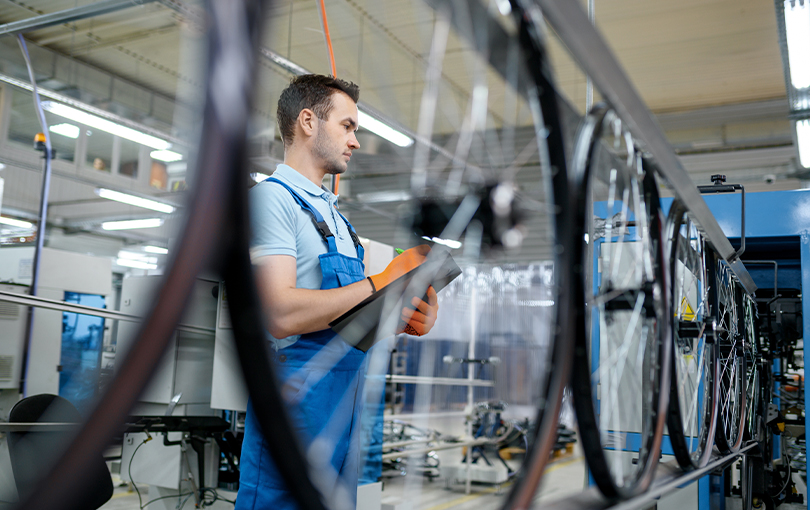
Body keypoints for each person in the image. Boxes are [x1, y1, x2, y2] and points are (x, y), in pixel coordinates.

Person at [236, 74, 440, 510]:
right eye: (347, 126)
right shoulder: (273, 200)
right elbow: (280, 314)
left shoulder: (340, 222)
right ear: (308, 121)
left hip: (346, 413)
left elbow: (345, 324)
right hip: (294, 415)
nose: (356, 141)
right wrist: (379, 282)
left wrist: (400, 315)